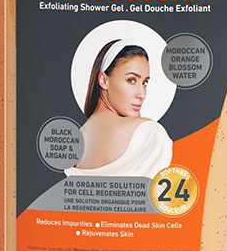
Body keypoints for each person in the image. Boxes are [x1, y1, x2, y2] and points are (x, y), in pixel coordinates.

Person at [65, 39, 172, 179]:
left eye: (145, 82)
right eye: (131, 80)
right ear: (104, 80)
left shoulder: (77, 141)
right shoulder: (149, 132)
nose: (142, 94)